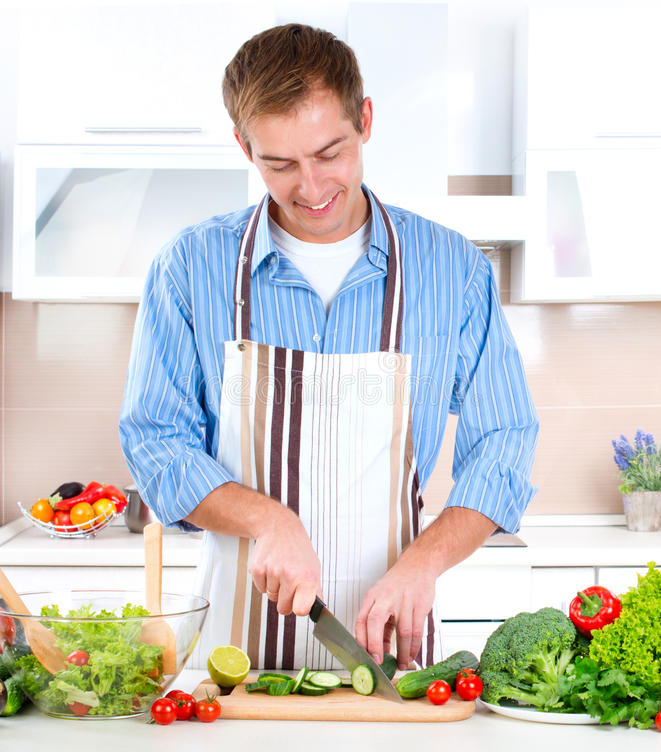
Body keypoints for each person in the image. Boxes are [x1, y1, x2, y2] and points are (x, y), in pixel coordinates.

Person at [119, 23, 538, 672]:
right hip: (233, 666)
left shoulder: (452, 271)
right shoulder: (190, 268)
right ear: (243, 146)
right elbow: (155, 440)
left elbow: (505, 440)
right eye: (279, 164)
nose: (311, 189)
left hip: (393, 654)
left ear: (364, 120)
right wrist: (267, 520)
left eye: (330, 153)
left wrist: (426, 561)